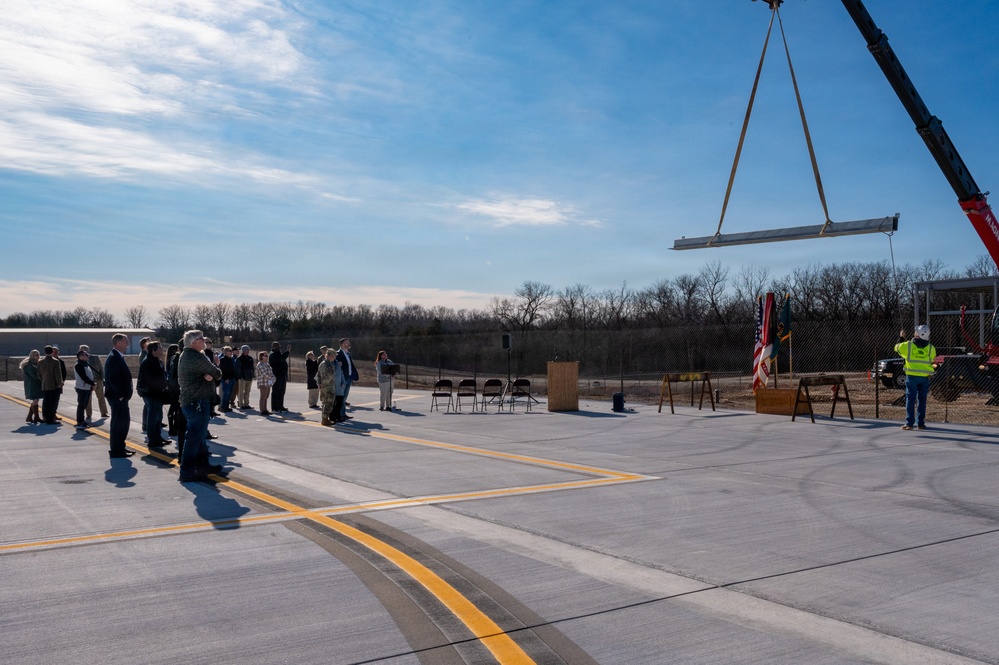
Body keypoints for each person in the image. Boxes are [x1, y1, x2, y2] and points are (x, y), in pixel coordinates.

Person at [177, 330, 224, 482]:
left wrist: (208, 375)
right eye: (201, 339)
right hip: (197, 403)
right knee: (194, 438)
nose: (204, 341)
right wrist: (213, 369)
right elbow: (217, 373)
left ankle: (203, 466)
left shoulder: (187, 355)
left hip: (191, 402)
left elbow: (211, 375)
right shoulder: (196, 356)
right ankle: (187, 471)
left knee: (199, 436)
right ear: (194, 342)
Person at [895, 325, 937, 431]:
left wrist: (901, 338)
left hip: (912, 377)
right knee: (922, 400)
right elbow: (932, 360)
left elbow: (896, 347)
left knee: (910, 399)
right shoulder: (931, 348)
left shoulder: (908, 345)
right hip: (924, 378)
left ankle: (909, 424)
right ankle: (920, 424)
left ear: (917, 334)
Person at [104, 333, 134, 458]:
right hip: (117, 397)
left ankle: (120, 447)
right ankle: (116, 450)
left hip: (120, 397)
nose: (128, 344)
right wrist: (121, 395)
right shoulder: (114, 357)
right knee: (118, 424)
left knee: (123, 423)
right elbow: (113, 378)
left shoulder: (117, 356)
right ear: (118, 343)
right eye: (126, 341)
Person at [137, 341, 170, 447]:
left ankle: (158, 436)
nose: (162, 350)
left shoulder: (157, 361)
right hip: (151, 393)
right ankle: (153, 439)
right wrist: (162, 386)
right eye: (159, 348)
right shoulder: (148, 362)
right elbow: (151, 380)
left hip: (157, 393)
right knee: (153, 417)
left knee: (158, 416)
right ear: (153, 350)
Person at [79, 345, 109, 420]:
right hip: (88, 381)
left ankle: (104, 412)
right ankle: (89, 414)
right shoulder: (80, 361)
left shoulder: (95, 358)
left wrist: (102, 378)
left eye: (83, 350)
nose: (82, 353)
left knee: (101, 397)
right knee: (88, 399)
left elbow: (101, 368)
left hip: (97, 380)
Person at [317, 348, 345, 426]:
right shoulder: (329, 365)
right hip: (329, 387)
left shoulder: (321, 364)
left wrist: (320, 383)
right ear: (330, 356)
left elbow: (318, 375)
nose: (334, 358)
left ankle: (324, 418)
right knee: (329, 403)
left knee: (324, 403)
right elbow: (330, 376)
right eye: (333, 356)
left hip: (323, 386)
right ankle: (325, 419)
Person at [37, 345, 63, 425]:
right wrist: (60, 383)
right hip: (54, 385)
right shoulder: (55, 361)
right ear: (52, 352)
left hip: (45, 384)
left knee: (46, 402)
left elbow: (39, 374)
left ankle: (45, 417)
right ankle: (51, 419)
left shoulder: (40, 362)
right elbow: (58, 374)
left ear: (44, 352)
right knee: (53, 402)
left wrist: (43, 380)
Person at [335, 338, 359, 421]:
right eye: (346, 343)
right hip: (342, 378)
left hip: (349, 377)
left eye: (348, 342)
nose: (348, 344)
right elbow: (336, 367)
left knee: (344, 397)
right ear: (342, 345)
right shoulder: (338, 354)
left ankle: (343, 414)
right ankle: (339, 414)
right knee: (340, 397)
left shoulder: (348, 354)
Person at [73, 350, 95, 429]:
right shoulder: (79, 365)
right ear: (81, 356)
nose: (87, 356)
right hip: (82, 388)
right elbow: (84, 377)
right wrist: (92, 383)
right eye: (85, 355)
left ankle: (82, 421)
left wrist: (91, 384)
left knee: (84, 405)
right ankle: (80, 421)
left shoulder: (86, 365)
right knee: (81, 405)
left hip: (87, 388)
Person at [20, 350, 42, 424]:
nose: (37, 356)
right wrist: (43, 378)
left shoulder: (37, 363)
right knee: (35, 400)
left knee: (35, 400)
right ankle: (36, 417)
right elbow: (34, 375)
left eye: (38, 354)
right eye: (35, 355)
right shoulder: (29, 365)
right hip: (32, 384)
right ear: (32, 355)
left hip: (36, 384)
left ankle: (29, 417)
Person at [268, 341, 291, 412]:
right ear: (274, 347)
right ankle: (274, 407)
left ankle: (280, 406)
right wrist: (287, 351)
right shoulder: (272, 354)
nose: (279, 347)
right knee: (276, 391)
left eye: (279, 346)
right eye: (277, 346)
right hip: (276, 375)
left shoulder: (278, 353)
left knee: (282, 391)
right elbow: (280, 359)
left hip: (282, 375)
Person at [218, 346, 238, 413]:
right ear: (225, 352)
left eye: (231, 350)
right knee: (226, 393)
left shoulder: (232, 359)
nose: (231, 352)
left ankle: (227, 406)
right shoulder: (222, 360)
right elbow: (222, 370)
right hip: (226, 379)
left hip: (232, 378)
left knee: (230, 393)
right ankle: (224, 407)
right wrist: (226, 378)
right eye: (229, 351)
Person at [256, 351, 275, 416]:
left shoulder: (267, 364)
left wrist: (273, 378)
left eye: (267, 355)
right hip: (263, 383)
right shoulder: (260, 364)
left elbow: (271, 372)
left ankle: (265, 409)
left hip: (268, 383)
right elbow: (264, 374)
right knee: (263, 397)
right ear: (262, 357)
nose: (267, 357)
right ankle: (262, 410)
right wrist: (271, 378)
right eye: (265, 356)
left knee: (266, 397)